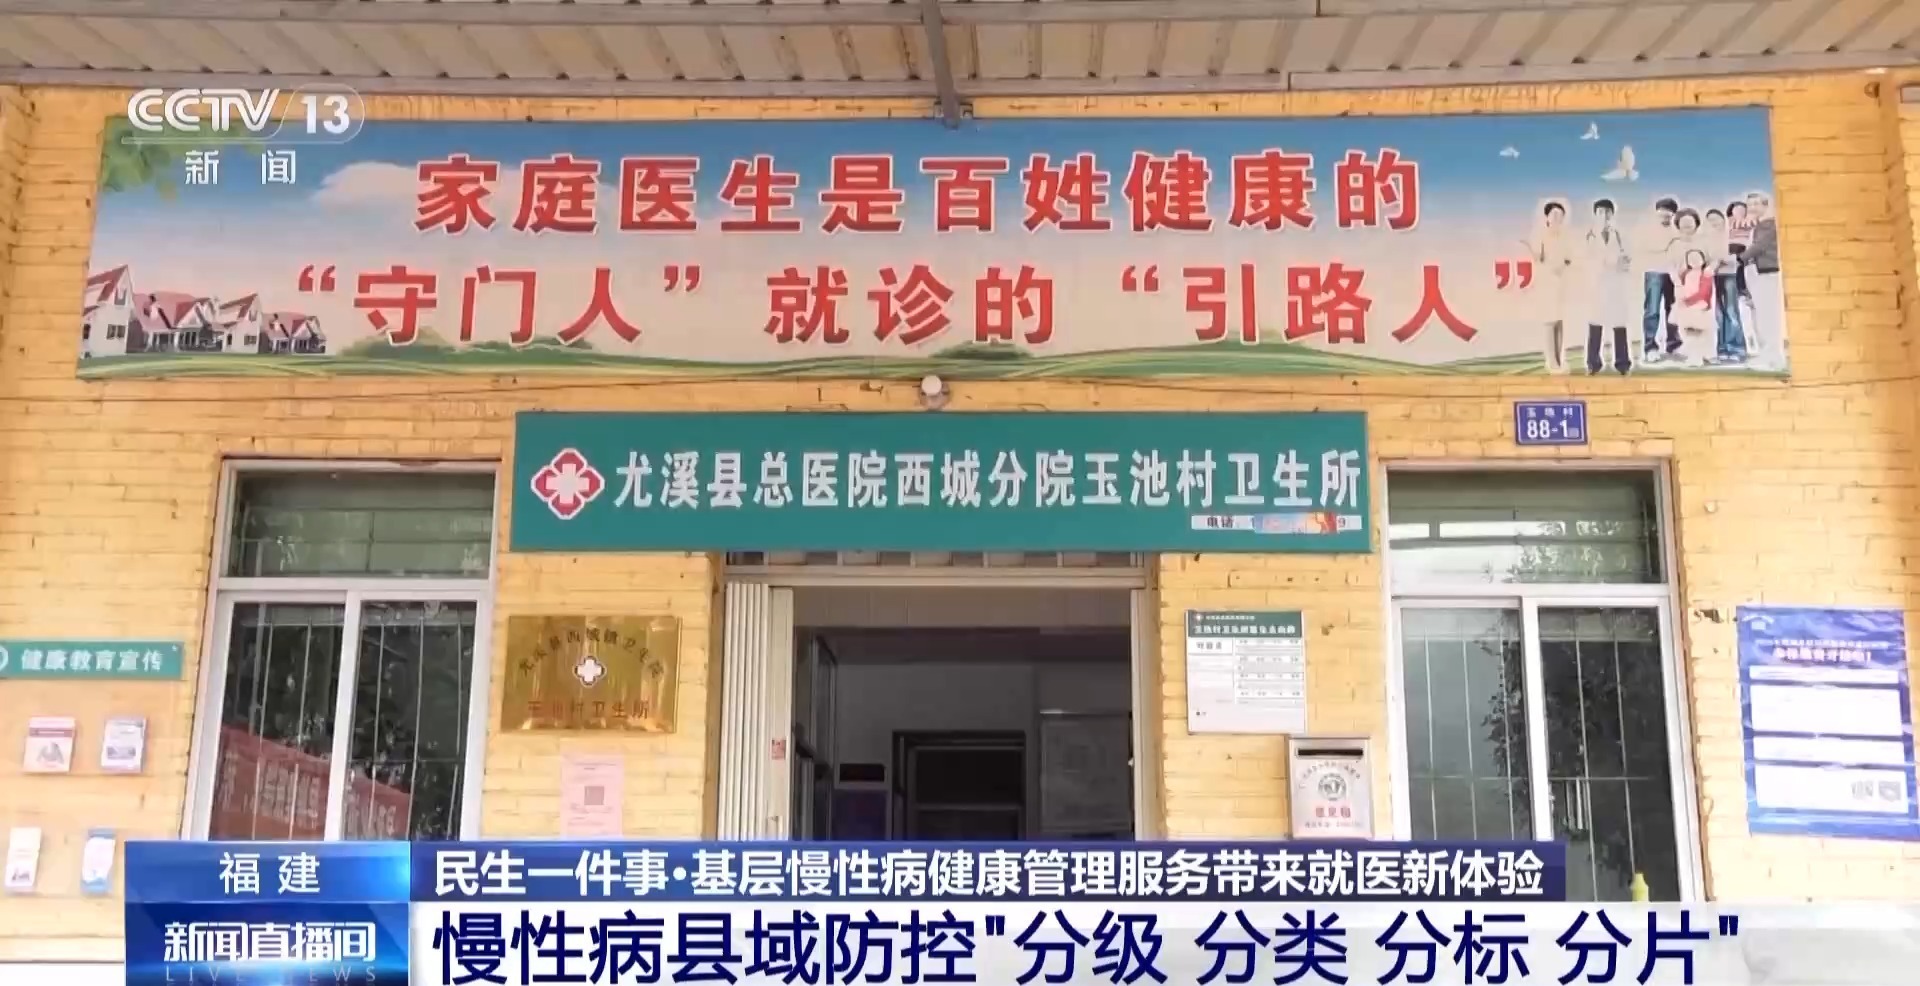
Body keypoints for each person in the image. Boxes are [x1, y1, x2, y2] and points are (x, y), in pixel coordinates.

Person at [1584, 198, 1633, 375]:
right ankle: (1593, 363)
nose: (1604, 215)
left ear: (1612, 214)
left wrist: (1621, 262)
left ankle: (1622, 364)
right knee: (1595, 324)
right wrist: (1612, 262)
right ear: (1595, 215)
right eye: (1600, 212)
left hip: (1615, 284)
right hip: (1597, 284)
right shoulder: (1589, 235)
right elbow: (1588, 259)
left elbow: (1627, 258)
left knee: (1619, 324)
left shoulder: (1619, 235)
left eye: (1607, 212)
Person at [1530, 200, 1578, 373]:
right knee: (1549, 322)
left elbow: (1569, 257)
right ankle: (1551, 362)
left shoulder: (1565, 236)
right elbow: (1538, 257)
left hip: (1561, 282)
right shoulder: (1541, 234)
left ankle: (1559, 359)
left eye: (1560, 215)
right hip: (1546, 282)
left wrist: (1563, 265)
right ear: (1547, 216)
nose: (1558, 217)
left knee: (1559, 322)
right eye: (1554, 214)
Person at [1635, 198, 1680, 363]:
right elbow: (1650, 247)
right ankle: (1650, 348)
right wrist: (1669, 244)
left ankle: (1673, 345)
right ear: (1657, 211)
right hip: (1654, 271)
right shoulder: (1648, 229)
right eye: (1662, 210)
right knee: (1652, 310)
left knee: (1673, 310)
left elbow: (1679, 249)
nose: (1665, 214)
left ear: (1673, 214)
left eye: (1669, 211)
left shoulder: (1677, 229)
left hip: (1674, 273)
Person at [1705, 209, 1747, 364]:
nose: (1714, 222)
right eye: (1710, 220)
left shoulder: (1731, 236)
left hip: (1730, 275)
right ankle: (1722, 349)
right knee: (1719, 314)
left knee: (1731, 312)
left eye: (1716, 218)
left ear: (1723, 219)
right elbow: (1707, 258)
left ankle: (1737, 349)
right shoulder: (1709, 239)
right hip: (1714, 277)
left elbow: (1736, 258)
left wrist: (1720, 260)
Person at [1743, 191, 1781, 361]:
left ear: (1765, 205)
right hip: (1760, 271)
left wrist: (1740, 258)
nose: (1752, 208)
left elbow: (1759, 246)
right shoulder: (1759, 225)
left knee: (1767, 314)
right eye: (1749, 205)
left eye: (1756, 204)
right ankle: (1767, 353)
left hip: (1767, 271)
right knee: (1761, 313)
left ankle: (1772, 354)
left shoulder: (1769, 224)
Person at [1671, 247, 1716, 364]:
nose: (1694, 261)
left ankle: (1699, 356)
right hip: (1688, 308)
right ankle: (1694, 355)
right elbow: (1679, 284)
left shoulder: (1706, 274)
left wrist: (1689, 301)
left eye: (1697, 258)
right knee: (1689, 334)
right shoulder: (1686, 274)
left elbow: (1704, 292)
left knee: (1699, 333)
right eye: (1691, 259)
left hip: (1699, 307)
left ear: (1703, 260)